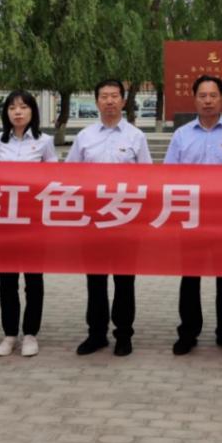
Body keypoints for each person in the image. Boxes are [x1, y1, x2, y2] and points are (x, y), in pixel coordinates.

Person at [164, 74, 222, 355]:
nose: (207, 101)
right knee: (190, 278)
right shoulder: (181, 135)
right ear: (194, 99)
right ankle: (188, 332)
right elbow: (168, 176)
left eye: (213, 95)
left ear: (221, 98)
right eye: (202, 96)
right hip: (190, 218)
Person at [66, 78, 152, 357]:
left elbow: (148, 179)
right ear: (97, 102)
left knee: (124, 281)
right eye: (104, 96)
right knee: (96, 281)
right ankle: (96, 334)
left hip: (126, 220)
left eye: (115, 96)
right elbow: (69, 176)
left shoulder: (136, 137)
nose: (110, 101)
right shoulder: (84, 137)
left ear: (123, 101)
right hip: (92, 221)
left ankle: (124, 335)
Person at [0, 90, 58, 358]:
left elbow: (55, 178)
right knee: (6, 279)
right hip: (4, 219)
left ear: (32, 112)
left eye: (23, 107)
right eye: (12, 108)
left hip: (34, 220)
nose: (18, 112)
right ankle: (9, 334)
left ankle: (30, 333)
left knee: (33, 279)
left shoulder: (44, 141)